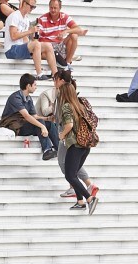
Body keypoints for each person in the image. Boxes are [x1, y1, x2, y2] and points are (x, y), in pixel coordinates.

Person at [56, 74, 98, 212]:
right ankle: (80, 201)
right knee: (73, 174)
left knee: (70, 175)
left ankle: (89, 198)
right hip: (85, 145)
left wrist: (61, 135)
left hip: (75, 145)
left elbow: (69, 125)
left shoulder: (67, 106)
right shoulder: (80, 105)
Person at [0, 73, 58, 159]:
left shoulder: (29, 99)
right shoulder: (15, 97)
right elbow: (27, 116)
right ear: (28, 86)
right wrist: (42, 126)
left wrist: (47, 118)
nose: (36, 87)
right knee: (40, 123)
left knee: (49, 124)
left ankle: (59, 148)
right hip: (14, 126)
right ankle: (47, 150)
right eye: (34, 85)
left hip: (23, 124)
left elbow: (34, 116)